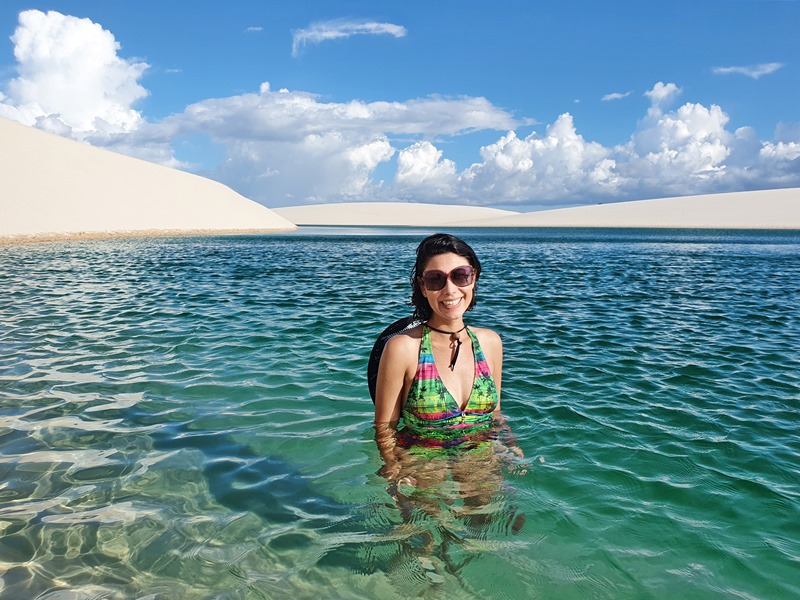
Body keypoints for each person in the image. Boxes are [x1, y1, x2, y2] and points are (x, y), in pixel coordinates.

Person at [374, 233, 503, 444]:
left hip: (479, 454)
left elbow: (495, 415)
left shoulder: (491, 342)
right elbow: (384, 429)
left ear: (473, 278)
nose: (450, 290)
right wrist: (394, 471)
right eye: (436, 279)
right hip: (422, 460)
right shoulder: (403, 348)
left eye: (460, 275)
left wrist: (512, 448)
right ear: (423, 287)